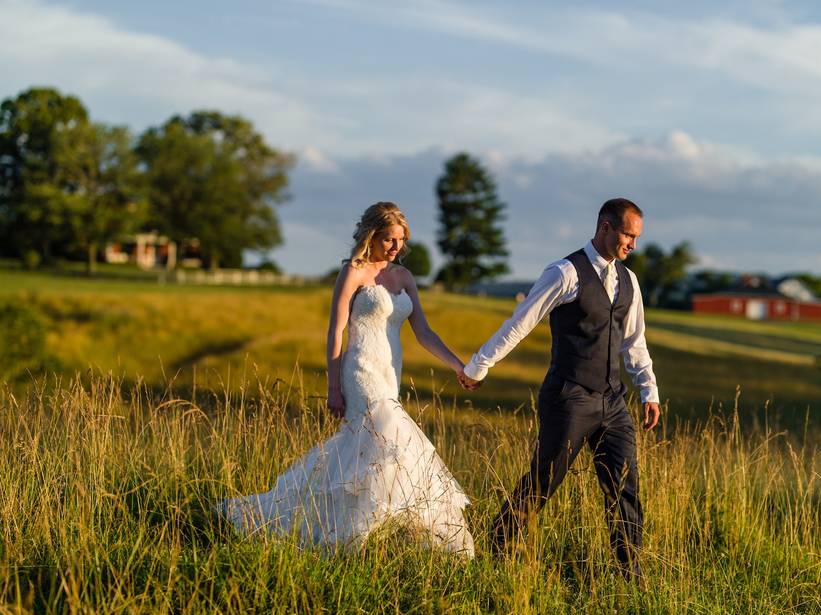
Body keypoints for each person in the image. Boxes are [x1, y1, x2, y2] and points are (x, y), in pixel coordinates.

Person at [222, 202, 475, 556]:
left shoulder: (403, 278)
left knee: (362, 451)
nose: (395, 247)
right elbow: (335, 331)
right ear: (372, 236)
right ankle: (355, 533)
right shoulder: (354, 272)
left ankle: (340, 523)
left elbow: (424, 332)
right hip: (359, 370)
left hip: (390, 373)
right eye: (388, 239)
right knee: (392, 439)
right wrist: (333, 388)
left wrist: (458, 366)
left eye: (400, 240)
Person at [458, 197, 660, 574]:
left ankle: (629, 573)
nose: (633, 244)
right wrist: (479, 365)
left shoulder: (629, 281)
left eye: (636, 237)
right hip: (569, 396)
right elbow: (521, 322)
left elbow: (635, 342)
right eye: (628, 235)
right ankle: (497, 547)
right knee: (544, 481)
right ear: (605, 228)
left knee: (624, 487)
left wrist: (648, 390)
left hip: (613, 402)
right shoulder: (565, 272)